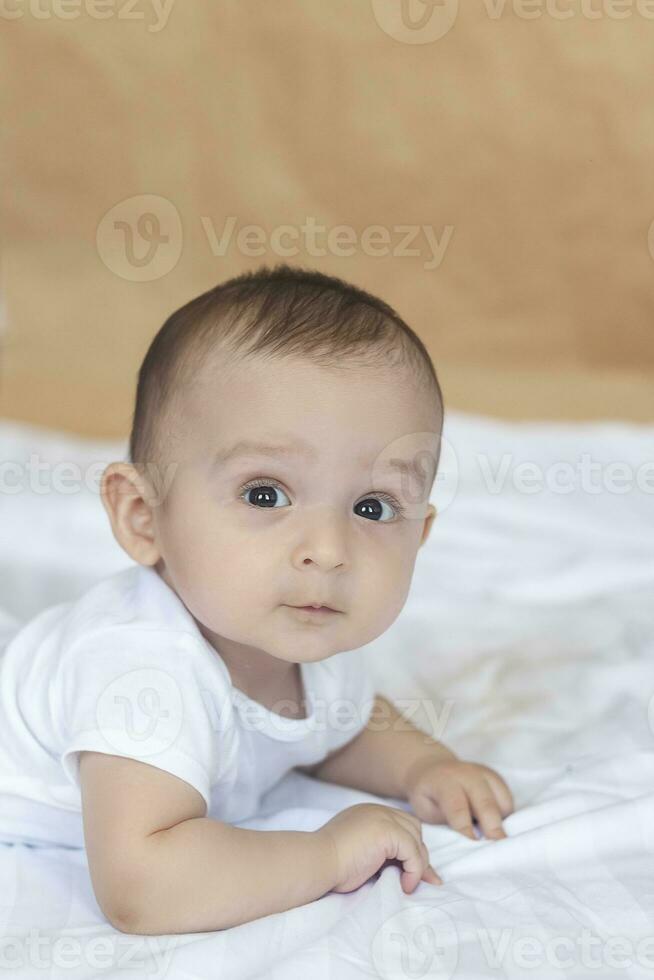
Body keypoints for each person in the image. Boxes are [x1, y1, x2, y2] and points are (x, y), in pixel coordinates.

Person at [0, 264, 513, 934]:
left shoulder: (304, 635)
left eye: (372, 505)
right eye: (264, 493)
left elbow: (342, 725)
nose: (328, 548)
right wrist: (327, 853)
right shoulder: (139, 665)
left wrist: (425, 765)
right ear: (143, 516)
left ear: (421, 535)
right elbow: (143, 885)